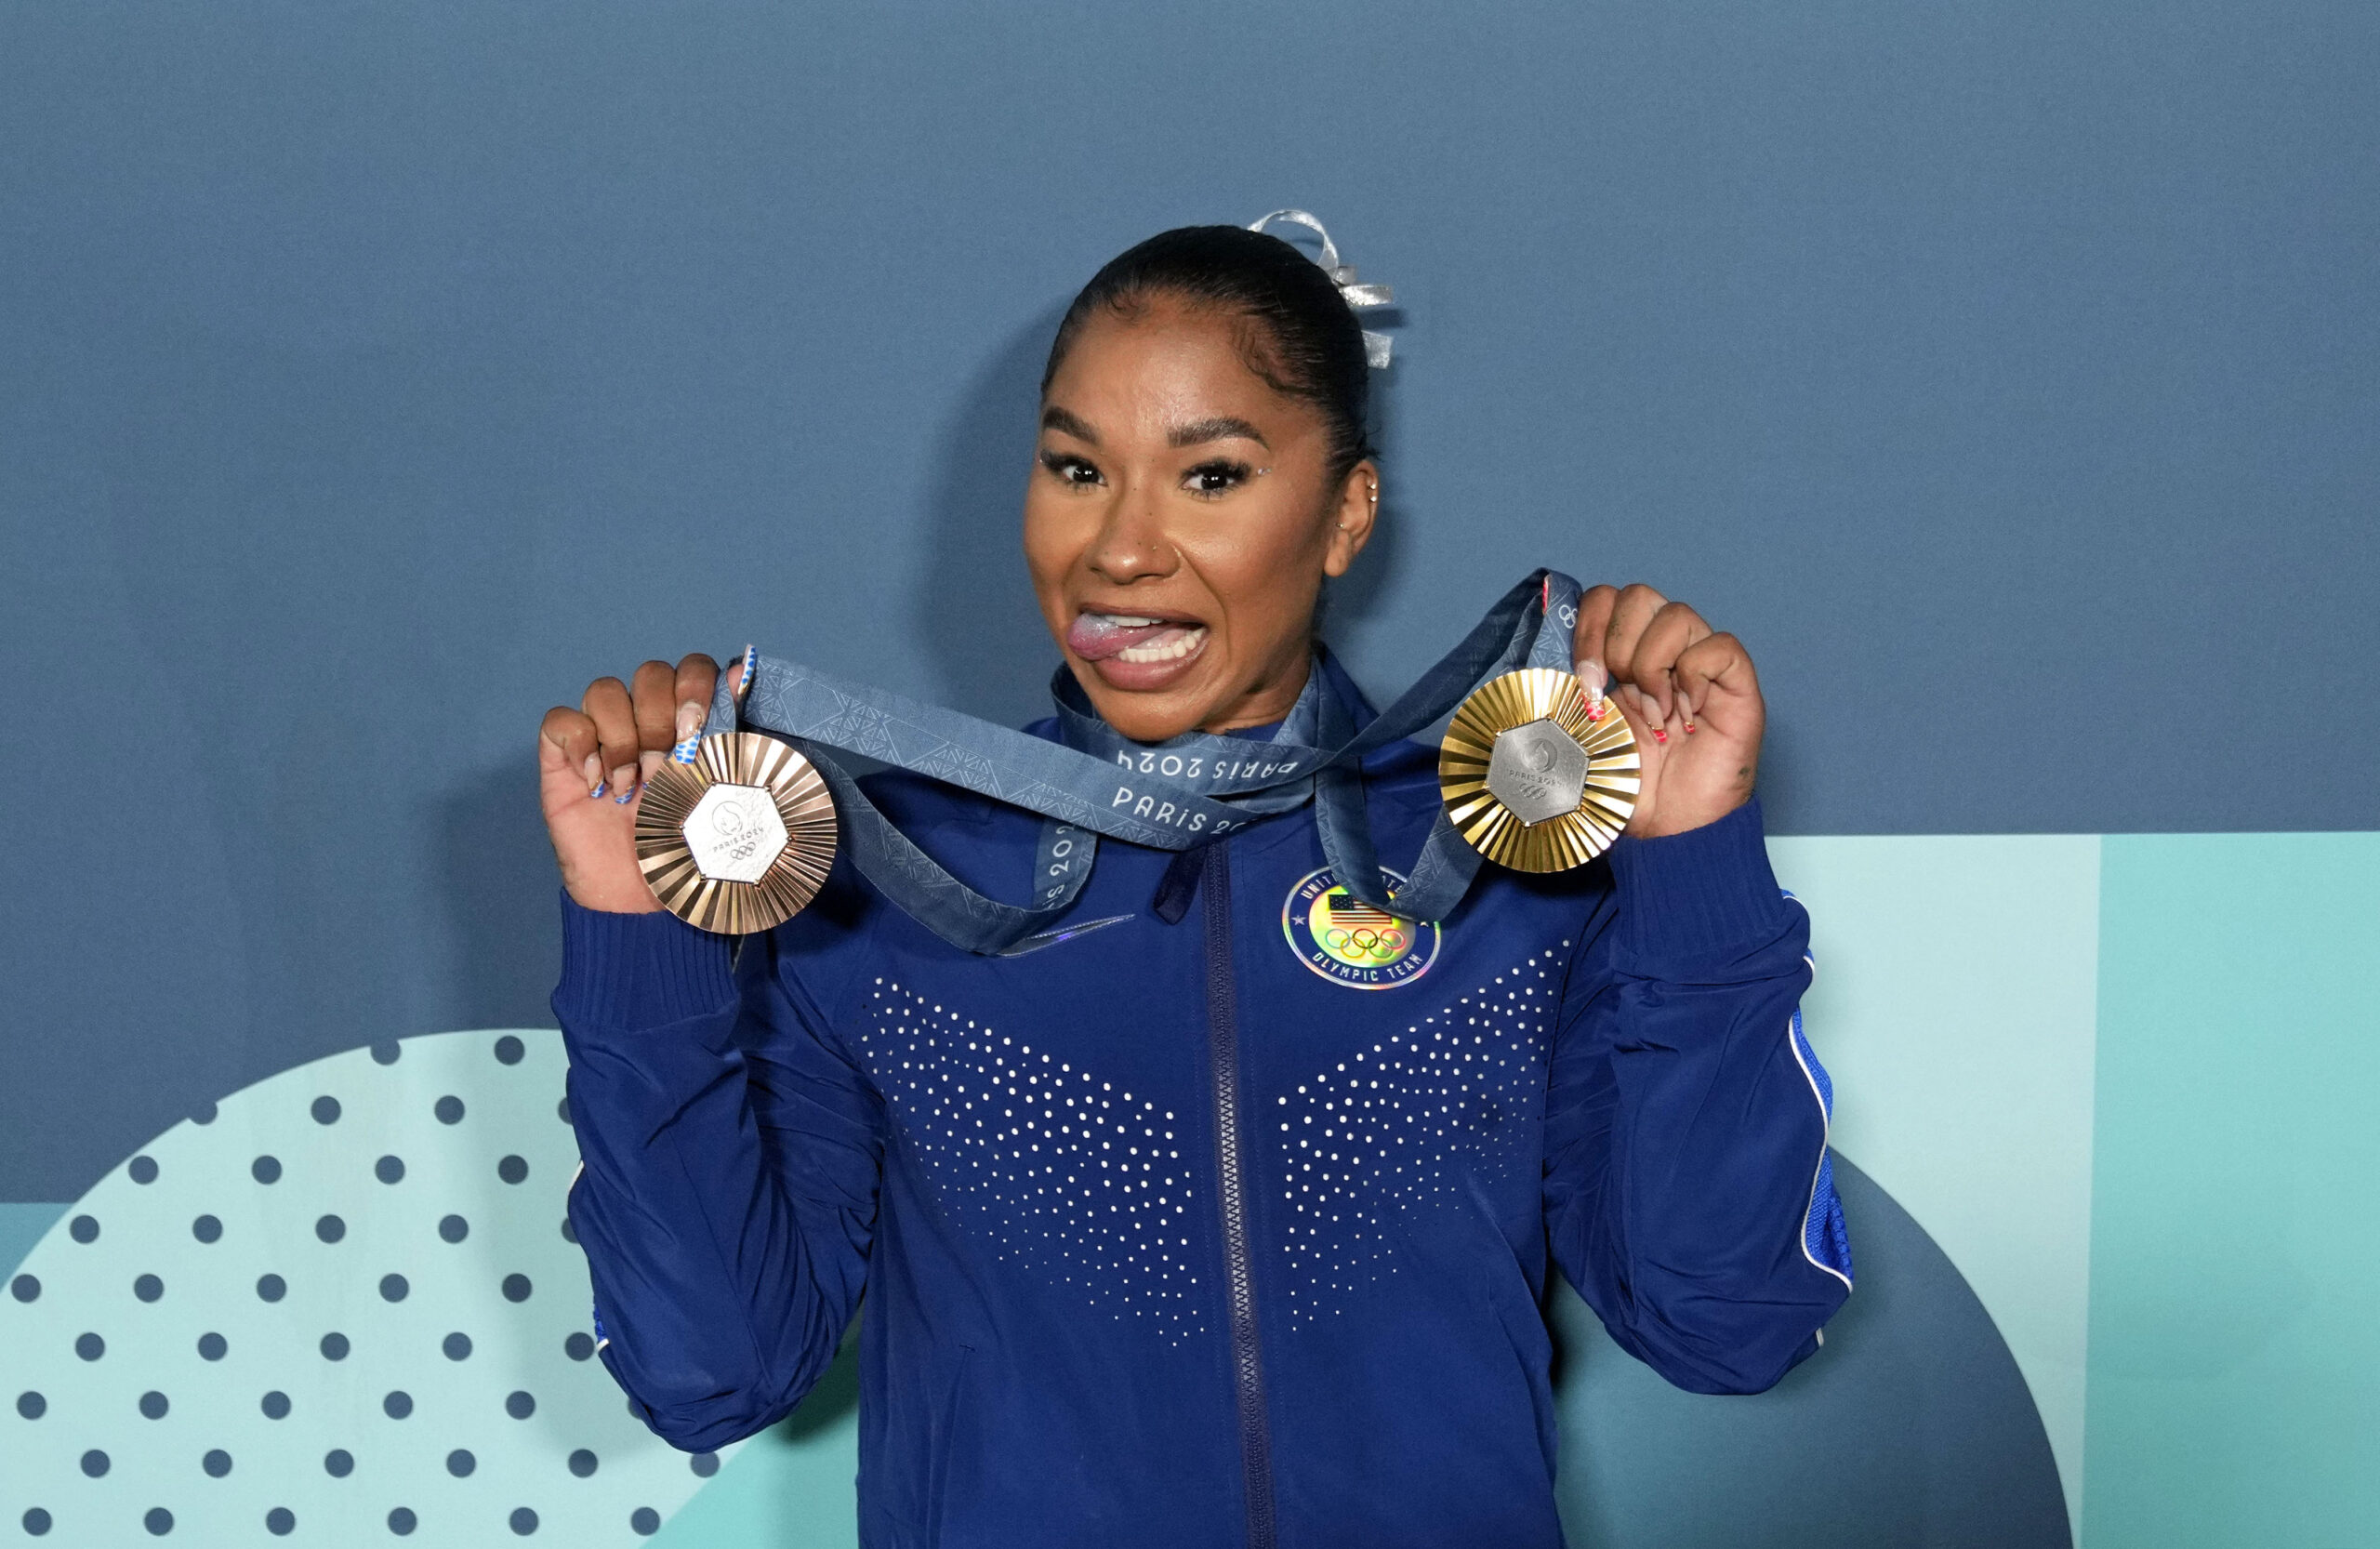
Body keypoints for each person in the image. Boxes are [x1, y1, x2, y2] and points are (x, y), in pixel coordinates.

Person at [538, 219, 1850, 1549]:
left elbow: (1727, 1317)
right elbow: (712, 1370)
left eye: (1211, 476)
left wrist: (1689, 858)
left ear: (1346, 513)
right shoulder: (893, 883)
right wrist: (637, 937)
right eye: (1075, 468)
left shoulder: (1503, 865)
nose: (1120, 548)